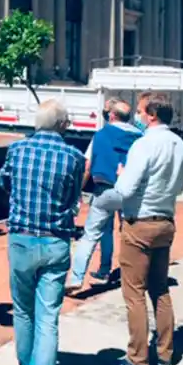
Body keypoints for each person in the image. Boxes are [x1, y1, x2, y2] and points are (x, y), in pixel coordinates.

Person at [91, 92, 183, 365]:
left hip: (139, 222)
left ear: (151, 115)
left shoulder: (144, 145)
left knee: (134, 293)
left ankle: (138, 358)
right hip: (165, 221)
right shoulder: (181, 146)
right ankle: (166, 351)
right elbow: (180, 188)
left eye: (140, 111)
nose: (137, 115)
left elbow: (125, 190)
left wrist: (121, 175)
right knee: (160, 289)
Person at [0, 99, 86, 365]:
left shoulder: (17, 149)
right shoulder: (73, 156)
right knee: (48, 316)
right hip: (55, 240)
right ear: (62, 124)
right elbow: (73, 196)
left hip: (22, 238)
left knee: (23, 309)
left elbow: (3, 181)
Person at [67, 97, 142, 291]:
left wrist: (78, 192)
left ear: (113, 115)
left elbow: (87, 165)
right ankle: (132, 274)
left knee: (93, 234)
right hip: (131, 192)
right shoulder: (140, 137)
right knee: (129, 234)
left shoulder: (101, 135)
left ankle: (79, 277)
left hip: (104, 190)